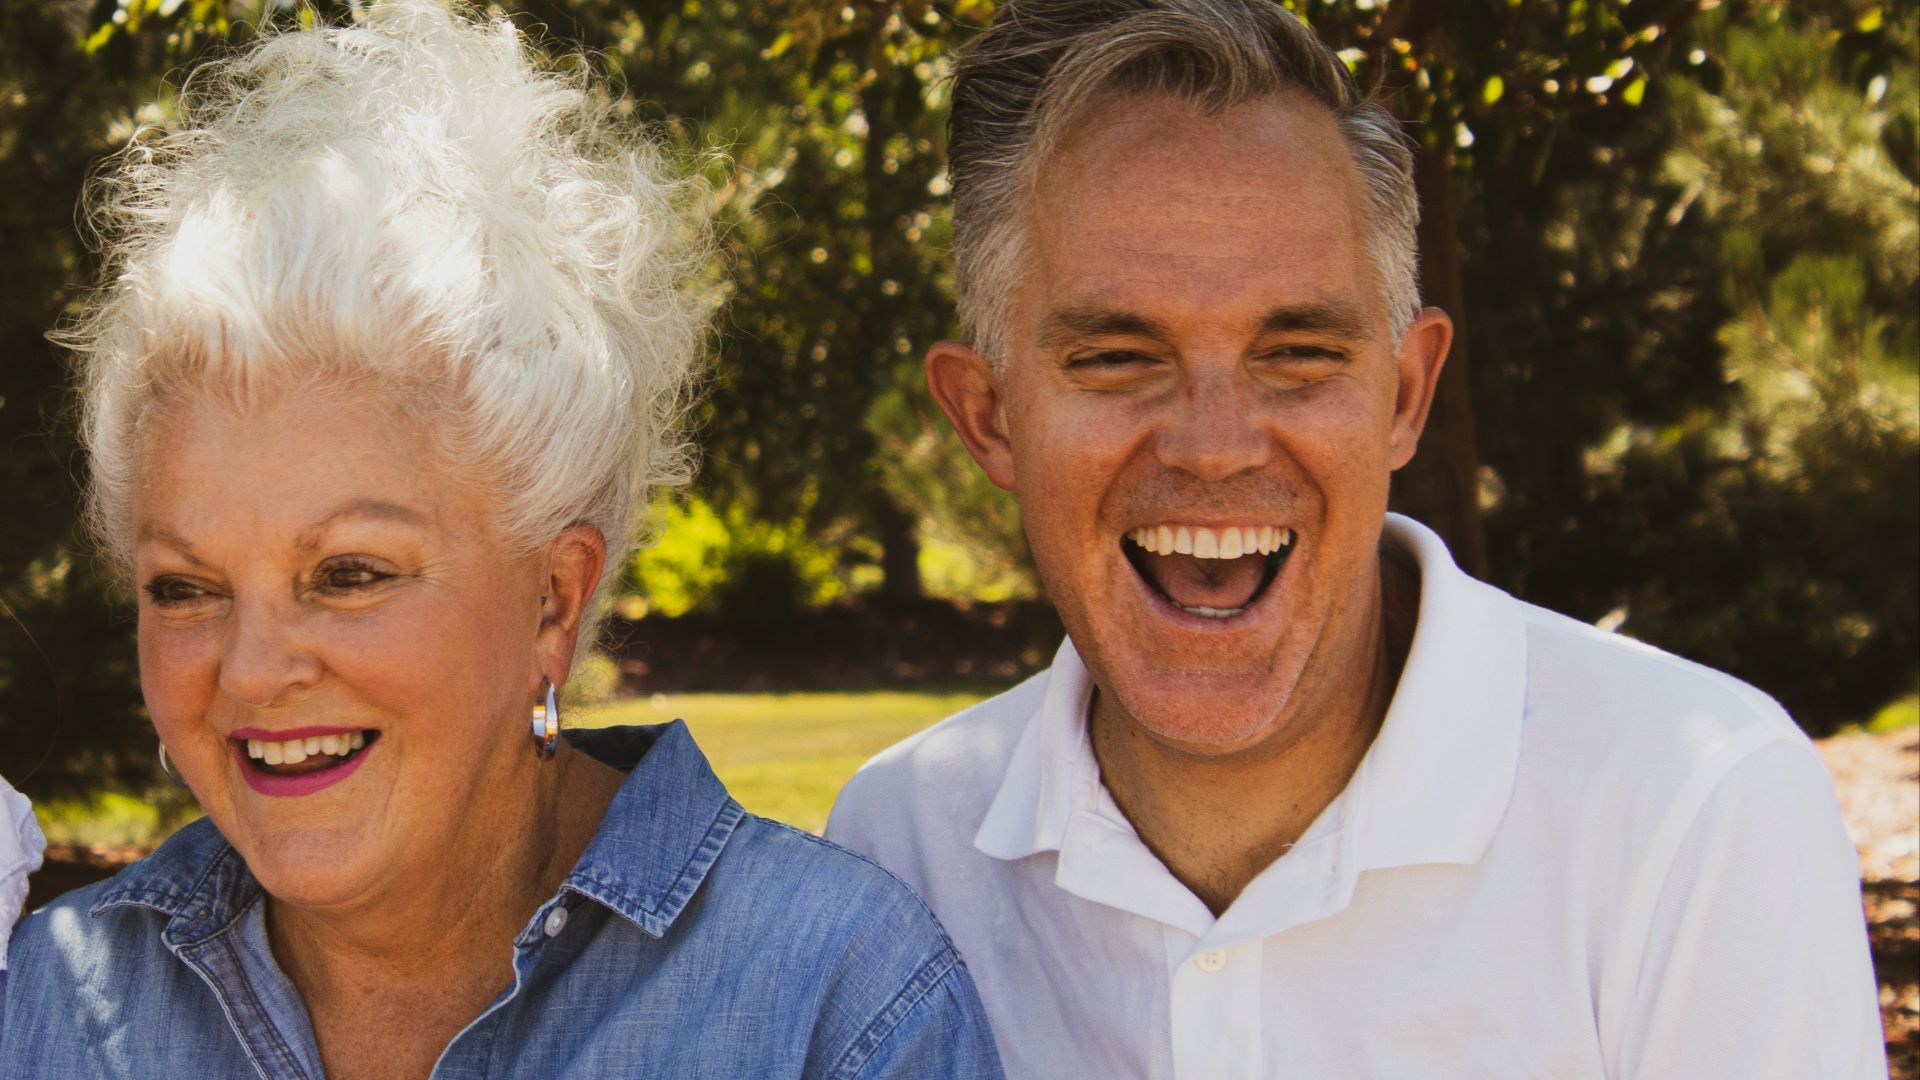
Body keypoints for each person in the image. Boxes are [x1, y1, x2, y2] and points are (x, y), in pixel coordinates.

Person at [825, 1, 1887, 1076]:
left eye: (1297, 351)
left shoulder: (1691, 809)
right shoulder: (905, 847)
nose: (1215, 447)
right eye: (1115, 357)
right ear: (989, 416)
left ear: (1407, 396)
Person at [1, 4, 1001, 1078]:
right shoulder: (66, 997)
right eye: (186, 589)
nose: (248, 669)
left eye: (347, 575)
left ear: (554, 602)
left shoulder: (831, 1000)